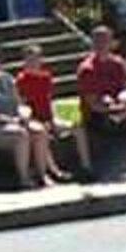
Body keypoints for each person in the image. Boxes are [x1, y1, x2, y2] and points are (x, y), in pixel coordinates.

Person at [0, 47, 64, 188]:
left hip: (14, 121)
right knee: (21, 135)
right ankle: (24, 177)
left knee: (40, 131)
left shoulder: (7, 79)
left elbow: (19, 103)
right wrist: (9, 120)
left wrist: (23, 114)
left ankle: (43, 174)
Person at [77, 26, 126, 177]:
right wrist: (116, 109)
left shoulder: (119, 64)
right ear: (92, 44)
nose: (102, 44)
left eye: (106, 40)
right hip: (96, 116)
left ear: (112, 42)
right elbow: (93, 104)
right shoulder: (87, 69)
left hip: (120, 109)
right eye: (98, 41)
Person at [15, 44, 92, 179]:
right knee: (42, 133)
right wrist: (35, 120)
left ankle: (86, 166)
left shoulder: (46, 77)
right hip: (33, 119)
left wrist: (52, 119)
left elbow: (49, 100)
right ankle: (54, 171)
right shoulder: (20, 80)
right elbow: (21, 105)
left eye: (36, 59)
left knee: (78, 128)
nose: (33, 63)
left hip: (48, 117)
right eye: (30, 60)